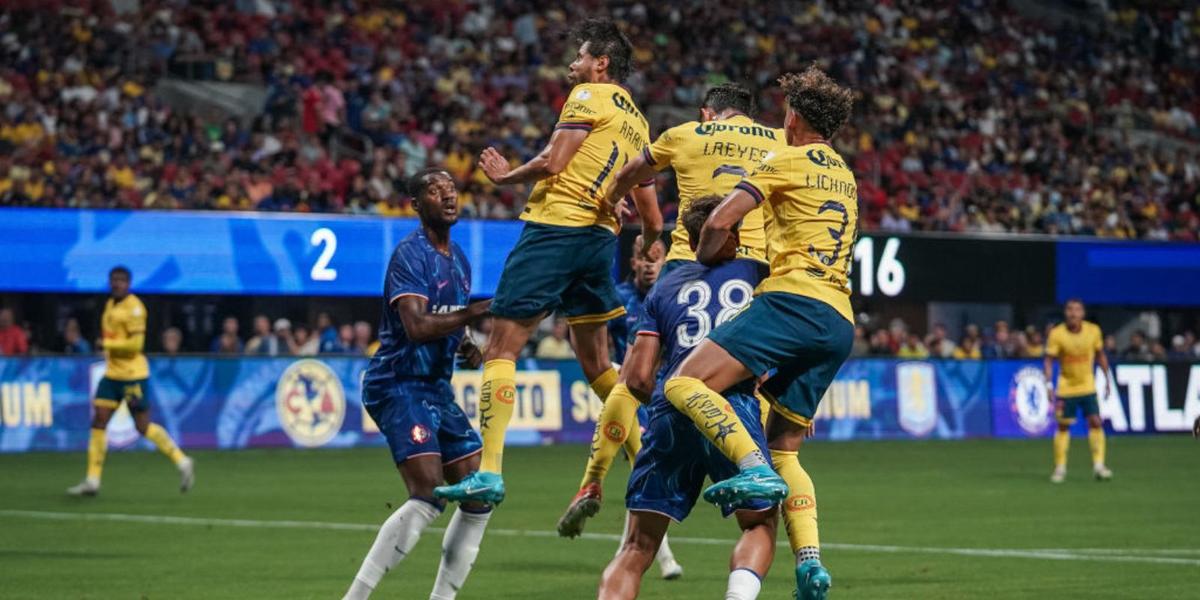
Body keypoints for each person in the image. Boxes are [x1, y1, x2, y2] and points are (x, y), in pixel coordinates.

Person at [435, 18, 661, 504]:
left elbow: (553, 163)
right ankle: (645, 465)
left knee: (501, 348)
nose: (573, 64)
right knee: (600, 365)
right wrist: (647, 242)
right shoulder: (639, 123)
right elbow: (652, 215)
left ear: (600, 64)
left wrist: (503, 176)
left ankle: (489, 471)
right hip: (601, 242)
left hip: (556, 228)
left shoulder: (586, 97)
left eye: (580, 56)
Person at [662, 65, 858, 599]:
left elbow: (722, 220)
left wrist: (702, 259)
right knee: (787, 448)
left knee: (683, 383)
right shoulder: (844, 173)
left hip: (792, 302)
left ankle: (751, 468)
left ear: (793, 115)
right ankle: (811, 561)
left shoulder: (784, 158)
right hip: (838, 320)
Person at [558, 82, 785, 538]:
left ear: (708, 112)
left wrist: (615, 201)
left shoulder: (684, 134)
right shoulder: (780, 141)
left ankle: (593, 481)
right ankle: (791, 533)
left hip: (685, 268)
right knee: (745, 380)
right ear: (750, 113)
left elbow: (632, 170)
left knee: (636, 377)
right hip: (753, 269)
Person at [599, 195, 776, 599]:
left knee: (637, 547)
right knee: (758, 523)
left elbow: (638, 378)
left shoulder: (663, 289)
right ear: (725, 231)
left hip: (669, 409)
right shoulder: (757, 274)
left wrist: (668, 409)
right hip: (732, 409)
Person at [343, 169, 493, 600]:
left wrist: (464, 343)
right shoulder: (410, 255)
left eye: (450, 187)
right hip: (397, 382)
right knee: (428, 494)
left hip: (435, 388)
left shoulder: (459, 260)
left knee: (479, 494)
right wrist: (472, 316)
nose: (447, 194)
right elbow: (416, 325)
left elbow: (445, 320)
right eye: (434, 189)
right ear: (416, 204)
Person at [67, 266, 194, 497]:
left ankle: (182, 461)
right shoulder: (109, 305)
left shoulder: (135, 309)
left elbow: (136, 346)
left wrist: (108, 346)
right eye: (113, 280)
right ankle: (92, 479)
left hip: (133, 376)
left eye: (121, 280)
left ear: (129, 283)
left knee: (142, 426)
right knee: (99, 421)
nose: (117, 284)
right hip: (112, 375)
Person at [1045, 299, 1114, 483]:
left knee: (1095, 422)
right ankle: (1060, 468)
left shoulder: (1093, 331)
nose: (1073, 313)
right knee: (1063, 425)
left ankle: (1099, 466)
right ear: (1065, 313)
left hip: (1087, 385)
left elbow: (1100, 355)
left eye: (1077, 310)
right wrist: (1048, 385)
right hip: (1066, 387)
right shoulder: (1057, 334)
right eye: (1069, 309)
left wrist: (1107, 379)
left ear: (1082, 313)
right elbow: (1049, 361)